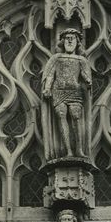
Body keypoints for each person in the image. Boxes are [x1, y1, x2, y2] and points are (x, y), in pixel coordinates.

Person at [42, 28, 92, 159]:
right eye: (67, 38)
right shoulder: (57, 58)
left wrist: (87, 81)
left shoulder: (81, 60)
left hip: (75, 91)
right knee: (62, 117)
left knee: (76, 117)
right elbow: (50, 75)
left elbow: (85, 75)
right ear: (63, 42)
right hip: (58, 91)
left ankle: (79, 150)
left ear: (77, 42)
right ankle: (68, 151)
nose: (70, 40)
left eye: (73, 38)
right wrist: (47, 88)